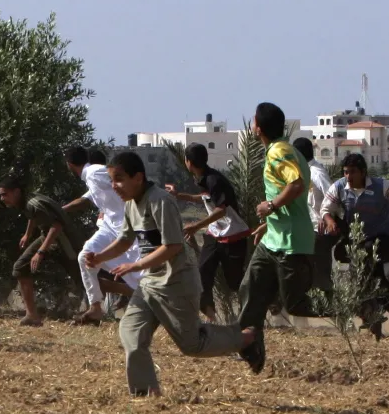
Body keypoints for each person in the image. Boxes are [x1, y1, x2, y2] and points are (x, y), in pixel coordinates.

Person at [86, 151, 263, 395]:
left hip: (176, 281)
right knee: (130, 333)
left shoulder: (160, 201)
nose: (114, 186)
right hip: (150, 284)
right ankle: (146, 392)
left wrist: (135, 266)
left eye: (119, 179)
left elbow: (173, 246)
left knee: (192, 345)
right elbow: (125, 240)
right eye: (111, 180)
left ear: (138, 177)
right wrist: (99, 257)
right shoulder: (130, 204)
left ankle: (245, 338)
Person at [237, 102, 316, 339]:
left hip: (290, 242)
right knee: (249, 290)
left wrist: (270, 206)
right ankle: (247, 346)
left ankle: (358, 305)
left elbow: (296, 185)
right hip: (273, 239)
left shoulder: (279, 152)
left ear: (258, 128)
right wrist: (269, 223)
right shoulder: (283, 150)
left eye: (253, 121)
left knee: (296, 304)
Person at [320, 153, 389, 338]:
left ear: (363, 172)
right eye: (346, 172)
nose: (348, 176)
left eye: (353, 172)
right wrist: (329, 221)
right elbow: (325, 208)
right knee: (375, 278)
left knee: (366, 270)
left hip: (384, 240)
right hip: (358, 242)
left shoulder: (382, 186)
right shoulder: (339, 187)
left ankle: (375, 317)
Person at [164, 143, 252, 320]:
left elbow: (221, 210)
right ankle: (210, 314)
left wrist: (196, 226)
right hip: (215, 235)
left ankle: (266, 300)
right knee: (203, 272)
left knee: (234, 281)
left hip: (233, 235)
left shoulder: (214, 180)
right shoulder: (204, 178)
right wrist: (179, 195)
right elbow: (205, 198)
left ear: (188, 162)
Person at [63, 146, 140, 325]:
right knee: (85, 257)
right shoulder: (91, 177)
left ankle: (144, 296)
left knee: (140, 272)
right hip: (109, 228)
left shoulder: (94, 172)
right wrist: (59, 211)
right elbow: (85, 199)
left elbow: (123, 183)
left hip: (126, 227)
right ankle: (96, 307)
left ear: (69, 164)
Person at [0, 177, 87, 327]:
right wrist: (27, 234)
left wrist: (40, 252)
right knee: (20, 267)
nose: (2, 199)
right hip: (48, 237)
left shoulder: (34, 203)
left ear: (16, 192)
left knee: (84, 278)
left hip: (64, 241)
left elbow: (56, 226)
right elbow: (33, 216)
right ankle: (31, 315)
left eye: (4, 194)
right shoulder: (26, 202)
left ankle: (125, 292)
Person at [293, 137, 336, 304]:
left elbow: (332, 195)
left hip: (320, 232)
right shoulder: (304, 172)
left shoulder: (317, 173)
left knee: (320, 272)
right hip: (308, 230)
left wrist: (326, 216)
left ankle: (329, 308)